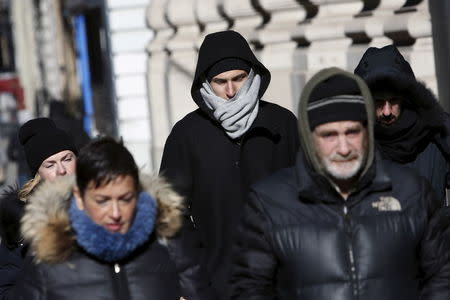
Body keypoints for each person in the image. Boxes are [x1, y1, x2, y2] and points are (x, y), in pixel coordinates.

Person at [231, 68, 450, 299]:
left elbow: (442, 273)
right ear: (309, 137)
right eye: (329, 135)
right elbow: (249, 289)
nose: (344, 148)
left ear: (368, 131)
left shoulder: (411, 192)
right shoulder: (270, 203)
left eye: (352, 132)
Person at [160, 30, 300, 297]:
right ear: (205, 82)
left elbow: (307, 199)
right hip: (217, 284)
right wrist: (196, 282)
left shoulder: (282, 124)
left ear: (253, 74)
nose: (231, 91)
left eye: (239, 78)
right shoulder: (187, 135)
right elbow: (170, 216)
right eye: (220, 81)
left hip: (283, 282)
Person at [11, 137, 210, 299]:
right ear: (80, 198)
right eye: (102, 201)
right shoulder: (49, 255)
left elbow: (199, 290)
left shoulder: (168, 242)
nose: (115, 213)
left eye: (125, 199)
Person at [354, 45, 450, 205]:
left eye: (393, 101)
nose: (386, 111)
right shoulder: (353, 145)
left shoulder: (433, 137)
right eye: (378, 102)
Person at [0, 118, 77, 299]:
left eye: (67, 159)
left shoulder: (102, 204)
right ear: (38, 174)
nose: (61, 170)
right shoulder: (20, 222)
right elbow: (6, 288)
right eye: (50, 165)